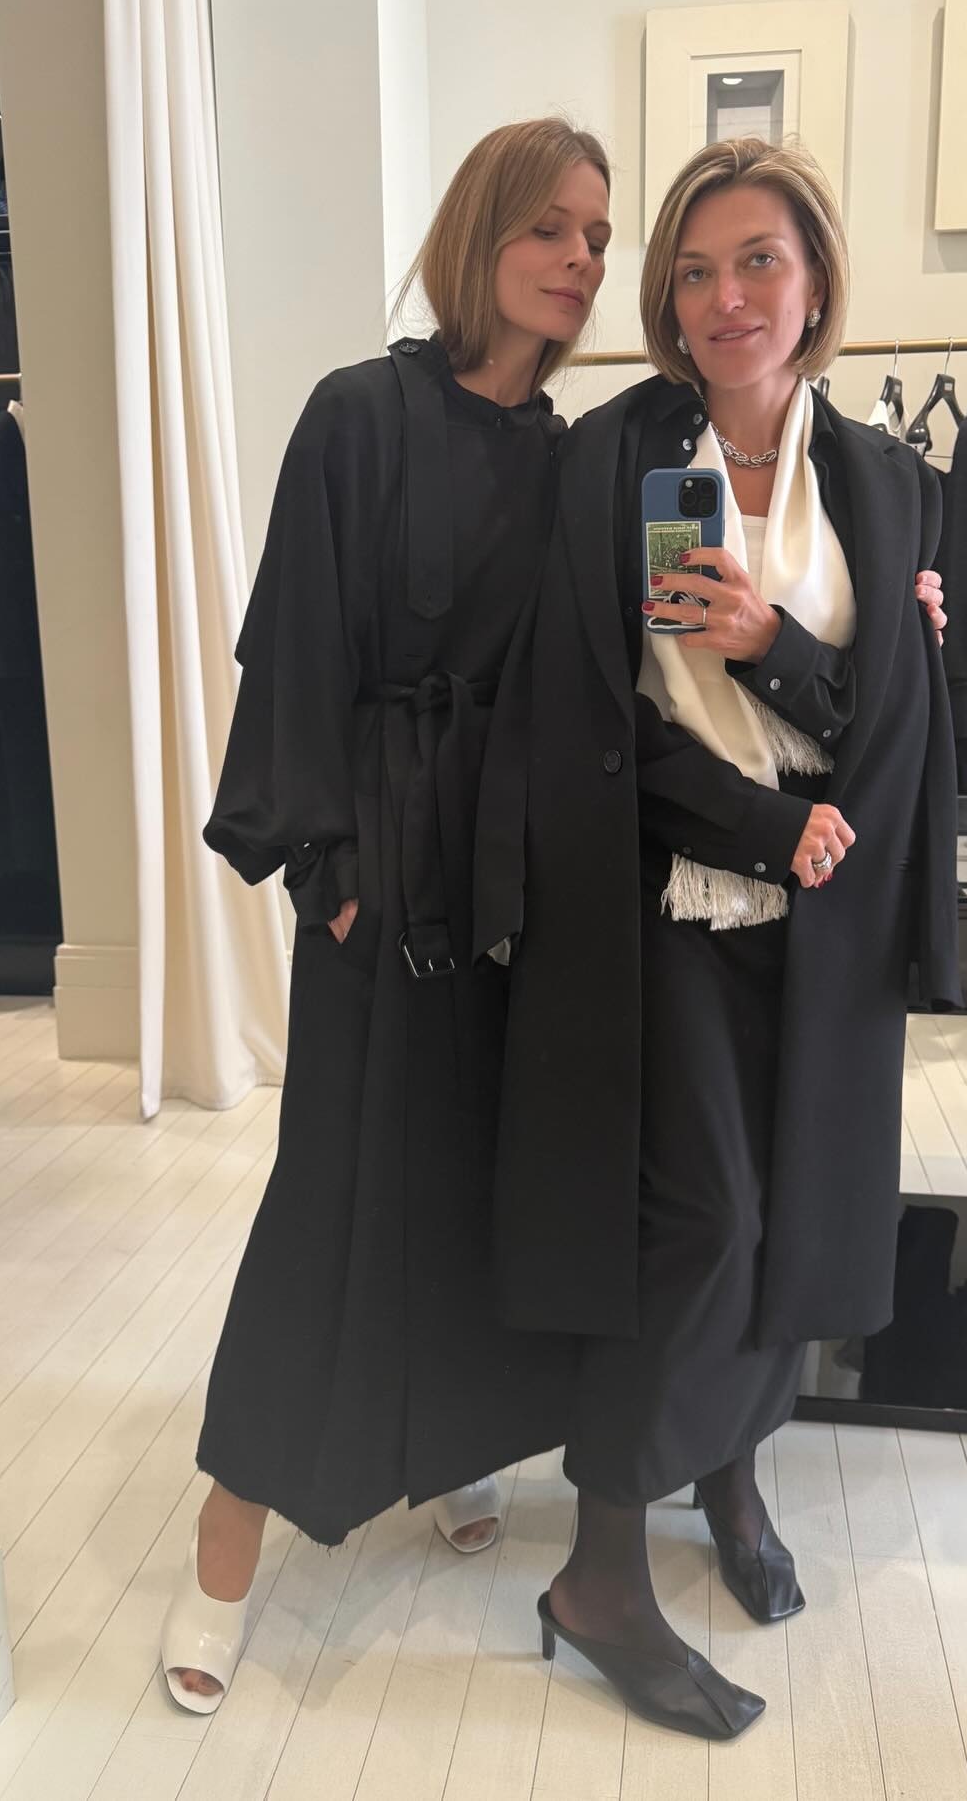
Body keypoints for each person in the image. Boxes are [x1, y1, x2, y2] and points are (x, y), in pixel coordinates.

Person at [475, 136, 961, 1741]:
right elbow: (591, 713)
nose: (725, 296)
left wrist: (772, 646)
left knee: (793, 1221)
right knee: (706, 1227)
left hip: (825, 924)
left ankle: (734, 1482)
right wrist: (759, 819)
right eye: (693, 269)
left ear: (815, 283)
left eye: (759, 261)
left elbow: (895, 719)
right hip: (667, 908)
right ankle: (600, 1571)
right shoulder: (617, 459)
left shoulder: (886, 484)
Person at [159, 118, 612, 1712]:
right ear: (480, 233)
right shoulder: (359, 414)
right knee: (336, 1194)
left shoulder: (573, 457)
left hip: (512, 875)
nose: (581, 259)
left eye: (598, 236)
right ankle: (224, 1549)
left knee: (479, 1172)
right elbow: (295, 648)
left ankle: (450, 1442)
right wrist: (329, 876)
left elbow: (636, 643)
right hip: (380, 859)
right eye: (551, 226)